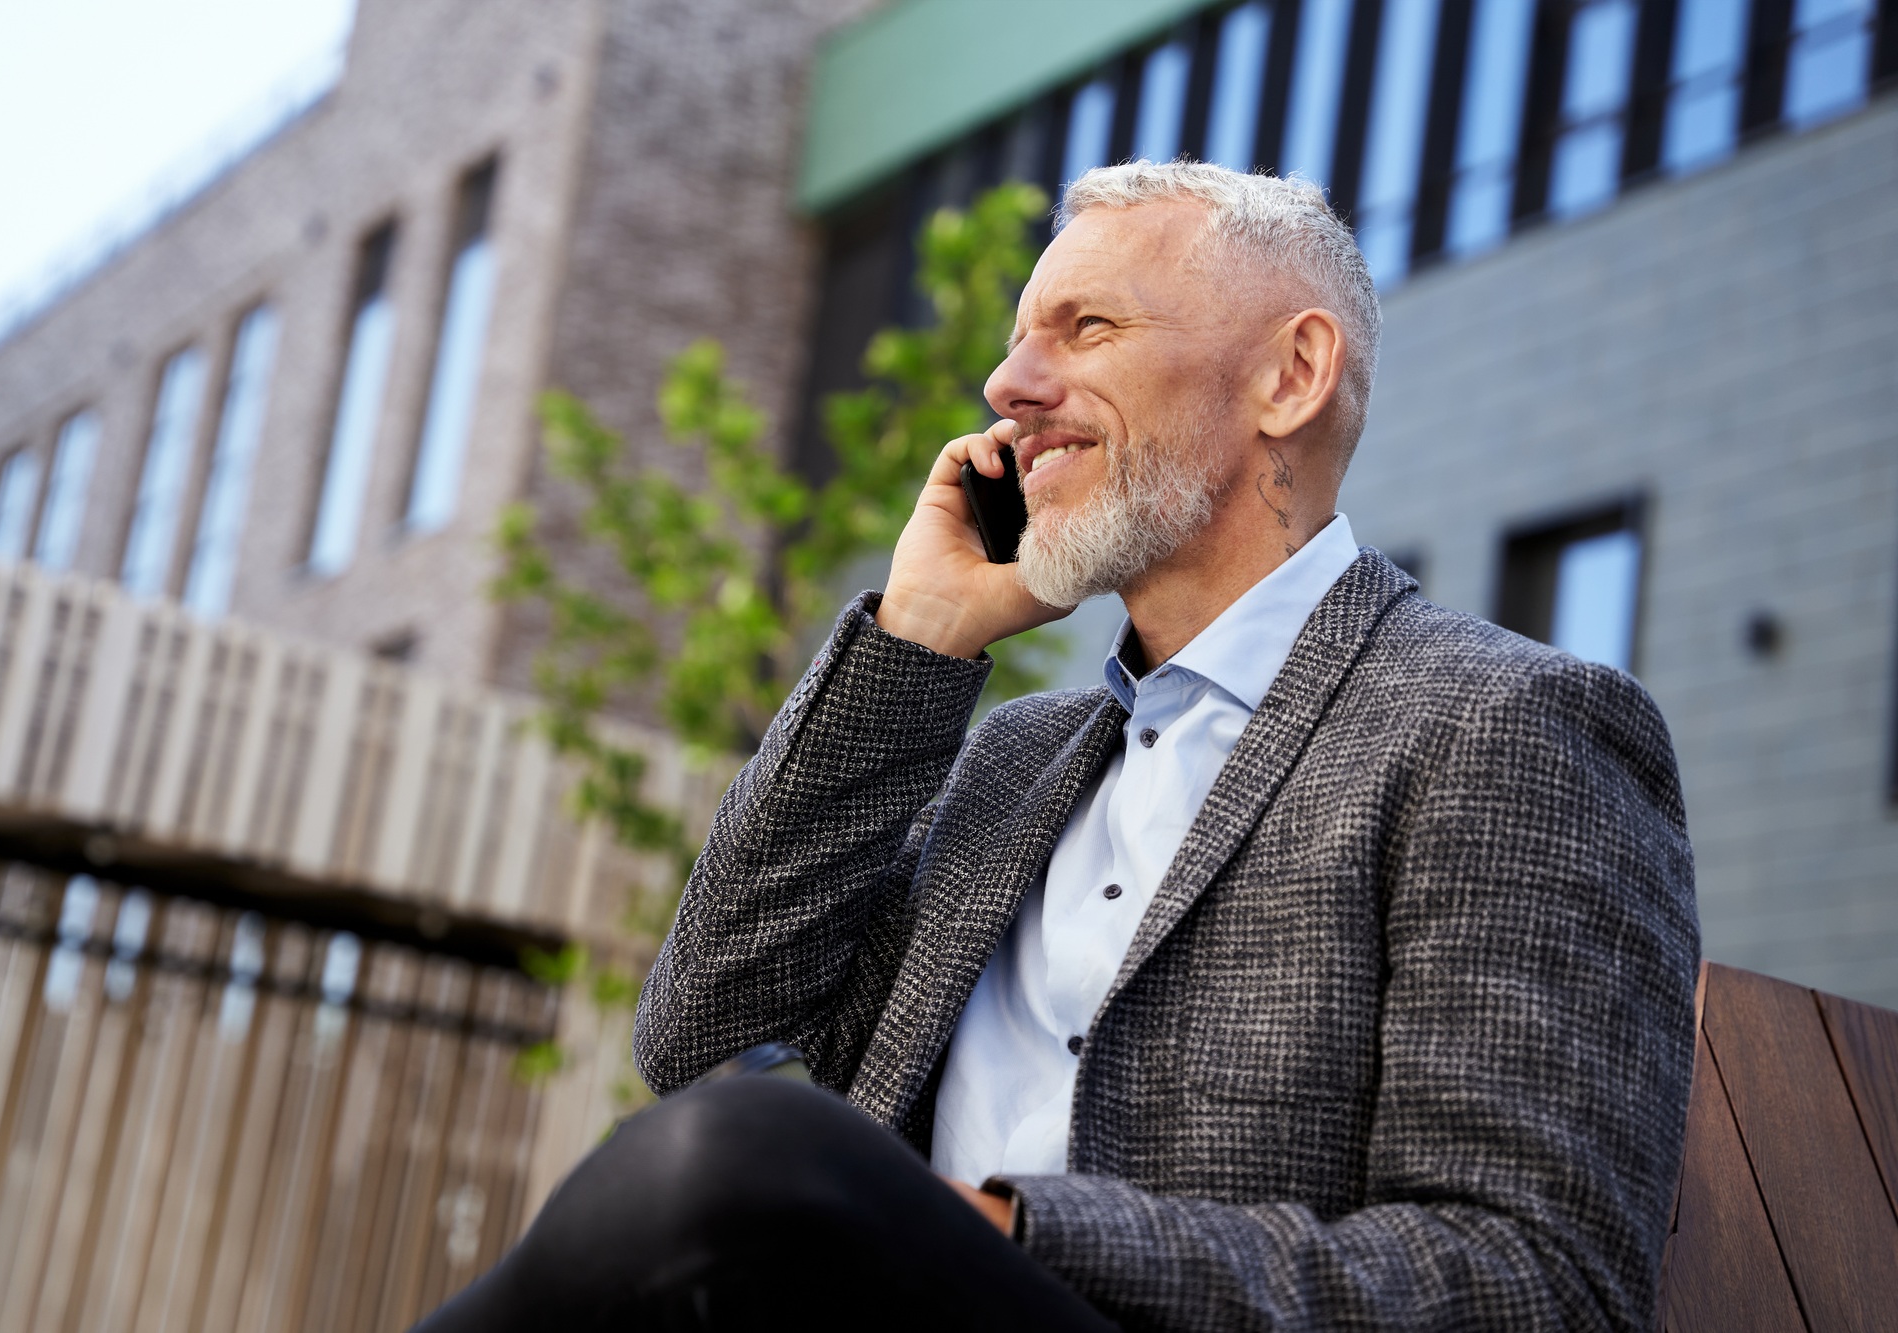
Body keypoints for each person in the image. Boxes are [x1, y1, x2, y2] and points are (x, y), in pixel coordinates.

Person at [414, 162, 1699, 1331]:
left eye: (1084, 329)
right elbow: (701, 1026)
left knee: (747, 1153)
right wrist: (915, 641)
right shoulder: (1011, 758)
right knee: (731, 1140)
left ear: (1287, 376)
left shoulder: (1504, 727)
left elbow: (1537, 1282)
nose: (1005, 388)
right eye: (1016, 338)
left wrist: (1012, 1229)